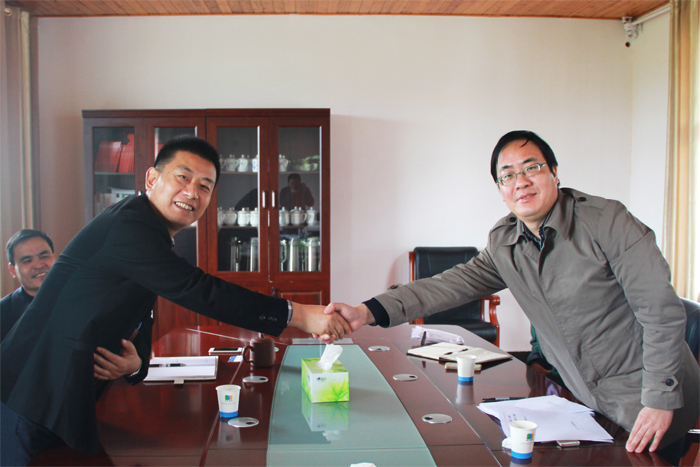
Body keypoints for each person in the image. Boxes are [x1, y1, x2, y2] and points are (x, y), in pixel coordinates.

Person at [325, 130, 699, 465]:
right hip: (587, 405)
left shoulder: (607, 222)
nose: (520, 181)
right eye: (507, 175)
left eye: (531, 167)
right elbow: (448, 284)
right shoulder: (505, 243)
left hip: (649, 400)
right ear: (500, 188)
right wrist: (366, 311)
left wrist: (659, 400)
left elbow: (662, 313)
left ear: (554, 172)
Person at [0, 136, 350, 466]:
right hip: (28, 391)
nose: (192, 192)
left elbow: (140, 311)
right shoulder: (129, 225)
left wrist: (136, 363)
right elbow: (197, 290)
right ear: (152, 179)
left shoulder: (148, 229)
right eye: (183, 177)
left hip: (58, 394)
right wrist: (298, 314)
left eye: (205, 186)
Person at [2, 229, 150, 384]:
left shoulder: (92, 298)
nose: (38, 265)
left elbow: (138, 363)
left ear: (55, 258)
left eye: (44, 256)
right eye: (27, 260)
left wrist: (135, 366)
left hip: (94, 394)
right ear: (12, 270)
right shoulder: (3, 313)